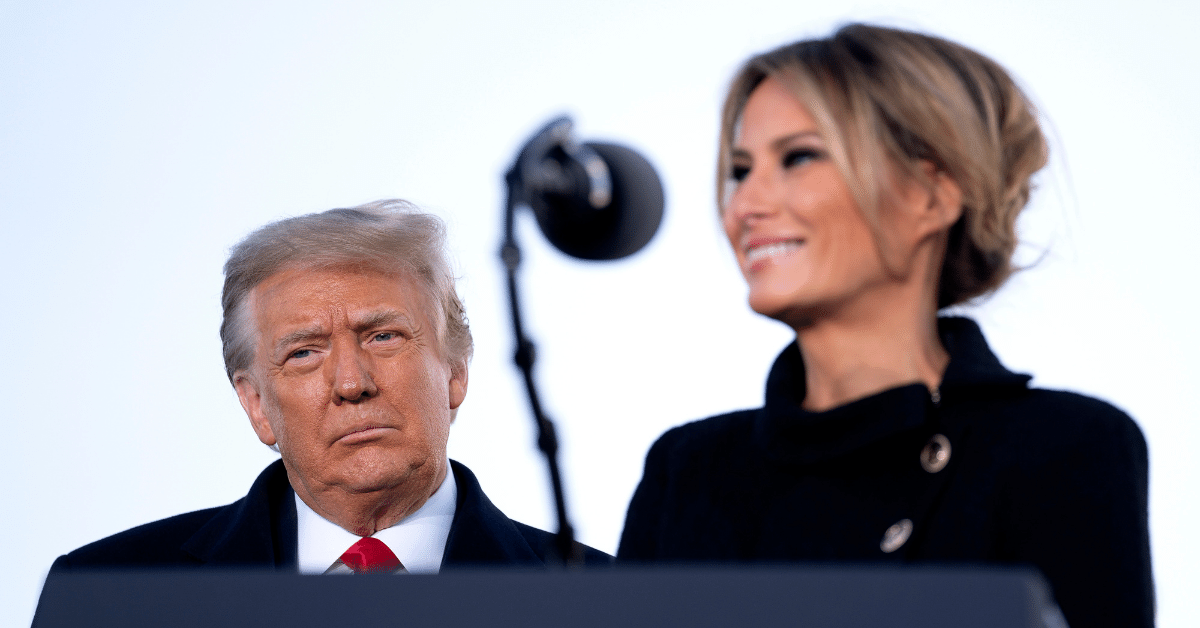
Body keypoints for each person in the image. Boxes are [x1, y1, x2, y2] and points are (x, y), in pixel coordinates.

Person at [617, 23, 1153, 628]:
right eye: (741, 170)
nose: (744, 206)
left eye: (799, 158)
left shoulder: (1063, 448)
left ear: (931, 196)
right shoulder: (687, 472)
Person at [40, 200, 609, 579]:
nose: (352, 383)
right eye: (304, 352)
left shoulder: (606, 599)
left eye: (383, 336)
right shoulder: (109, 593)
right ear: (256, 405)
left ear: (456, 370)